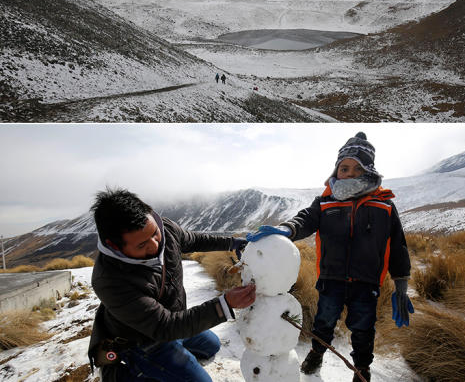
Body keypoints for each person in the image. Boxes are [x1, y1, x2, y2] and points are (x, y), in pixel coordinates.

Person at [246, 132, 413, 382]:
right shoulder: (325, 202)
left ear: (369, 170)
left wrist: (401, 284)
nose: (348, 173)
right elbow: (305, 219)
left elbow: (398, 246)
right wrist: (288, 229)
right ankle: (316, 353)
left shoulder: (384, 206)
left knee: (363, 330)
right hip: (331, 279)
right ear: (336, 170)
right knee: (323, 322)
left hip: (366, 283)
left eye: (357, 168)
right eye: (344, 168)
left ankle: (362, 369)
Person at [87, 189, 255, 382]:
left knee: (212, 345)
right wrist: (224, 304)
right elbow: (164, 326)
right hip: (142, 340)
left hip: (173, 323)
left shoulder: (165, 229)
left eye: (155, 234)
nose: (155, 244)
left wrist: (232, 243)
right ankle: (124, 372)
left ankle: (174, 354)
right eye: (142, 245)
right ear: (114, 246)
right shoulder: (109, 280)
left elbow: (194, 240)